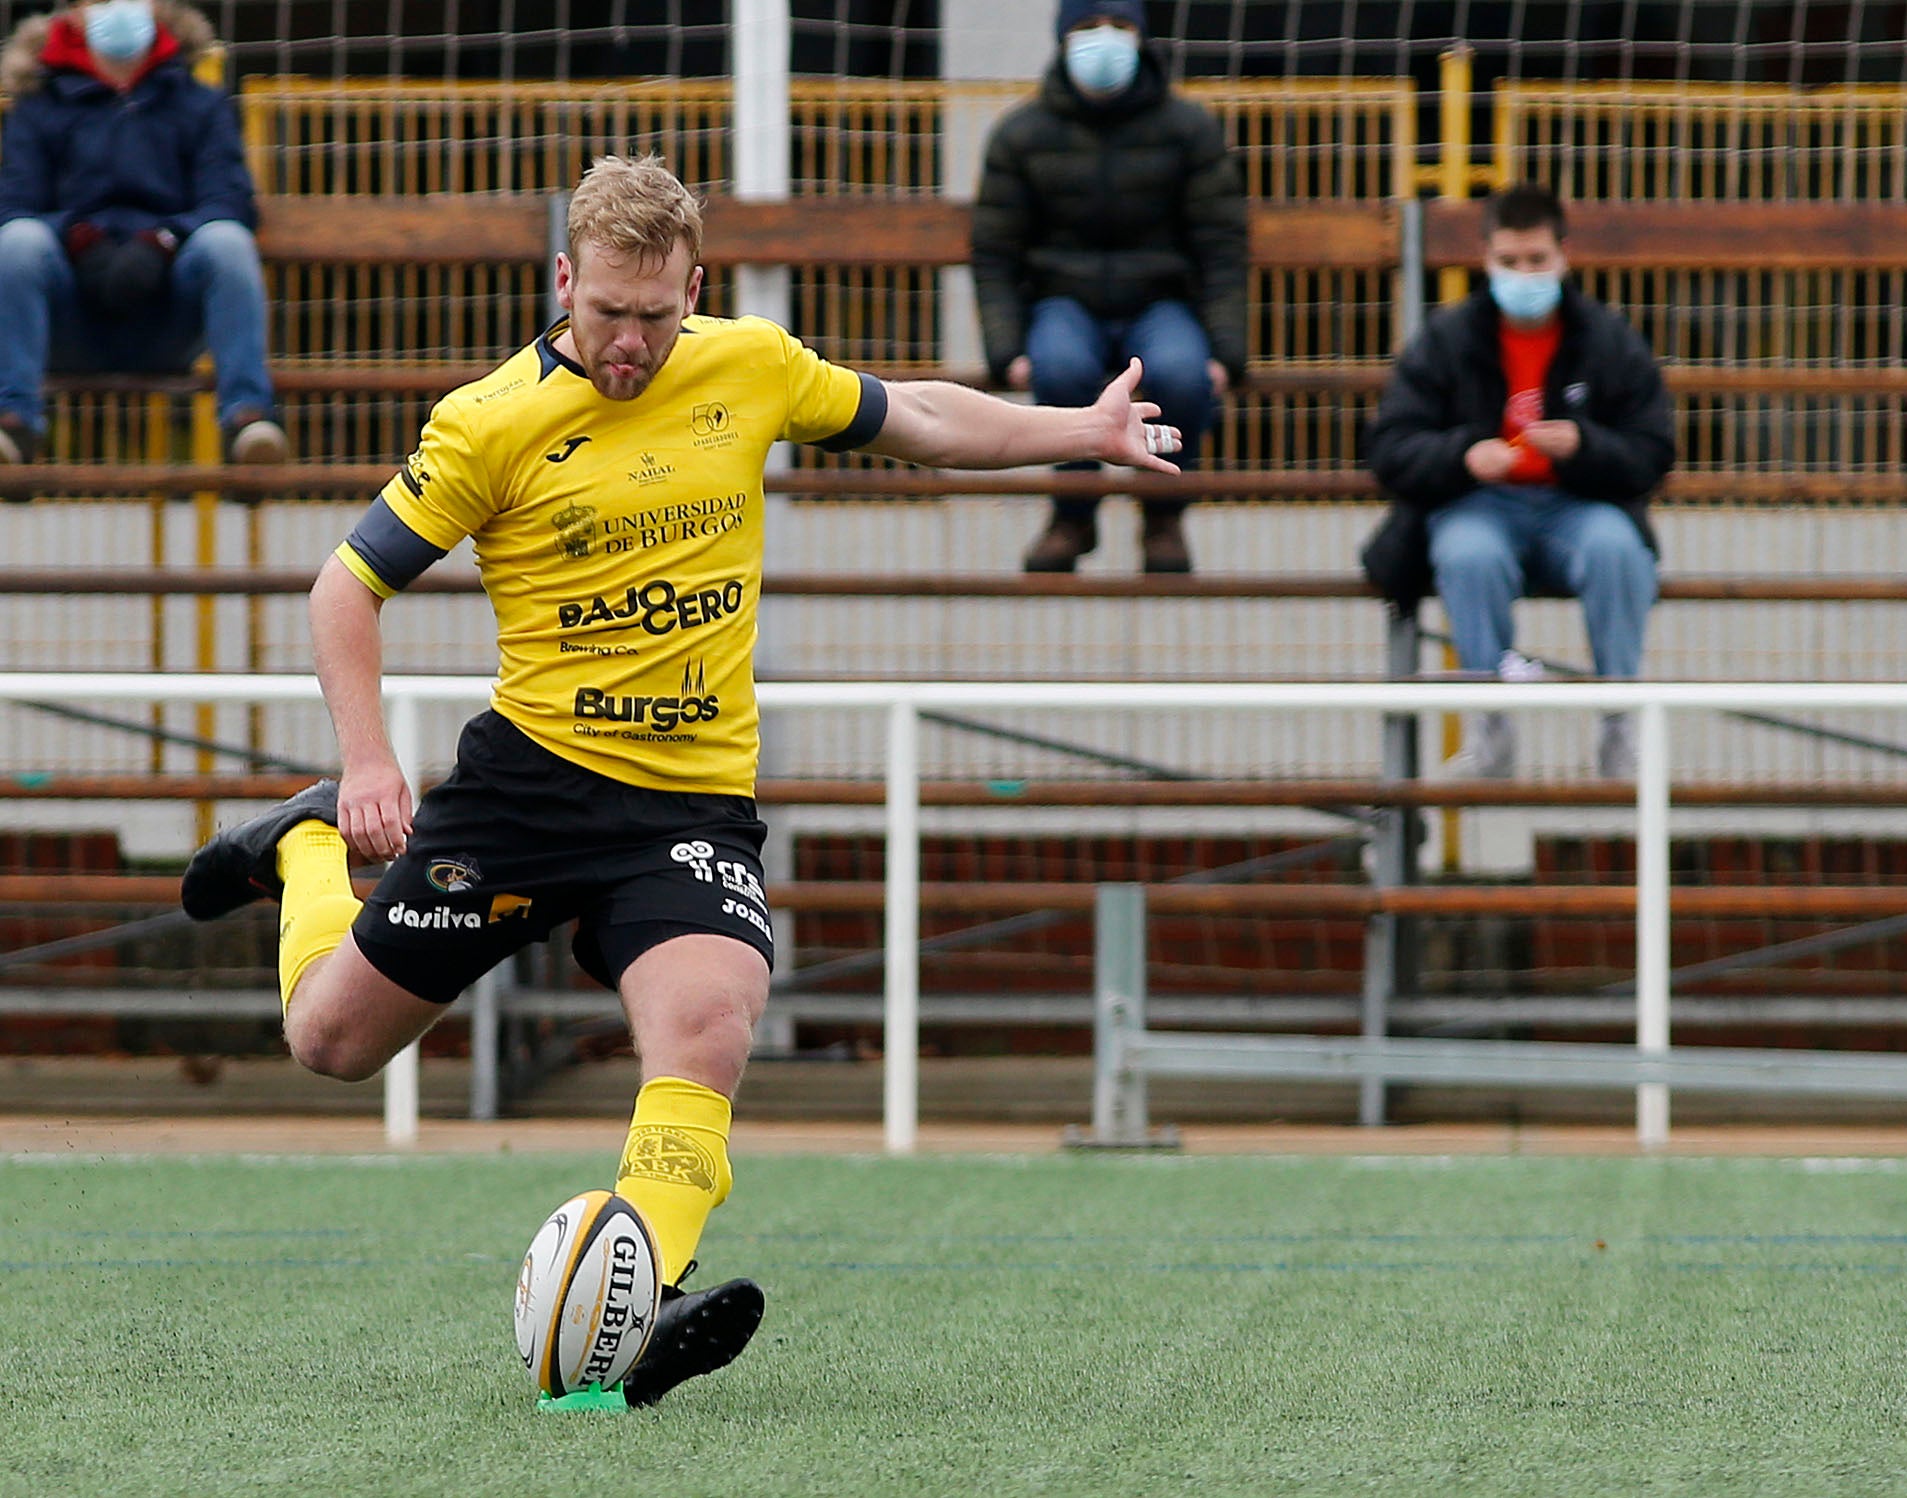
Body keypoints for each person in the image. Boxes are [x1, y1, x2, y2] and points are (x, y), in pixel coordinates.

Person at [178, 154, 1182, 1406]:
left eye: (656, 316)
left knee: (709, 1025)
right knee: (329, 1042)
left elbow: (916, 418)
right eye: (606, 313)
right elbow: (346, 586)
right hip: (527, 794)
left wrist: (1076, 433)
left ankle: (633, 1306)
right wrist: (369, 761)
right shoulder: (488, 421)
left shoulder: (748, 362)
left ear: (693, 289)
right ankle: (304, 848)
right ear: (564, 284)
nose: (630, 344)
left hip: (687, 807)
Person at [1365, 183, 1673, 779]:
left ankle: (1618, 722)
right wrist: (1463, 455)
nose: (1524, 274)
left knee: (1618, 551)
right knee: (1466, 554)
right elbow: (1391, 447)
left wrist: (1586, 446)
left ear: (1564, 255)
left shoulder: (1607, 339)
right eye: (1509, 261)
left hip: (1577, 506)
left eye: (1536, 260)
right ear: (1486, 258)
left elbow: (1652, 449)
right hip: (1478, 505)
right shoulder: (1446, 340)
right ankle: (1491, 722)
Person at [971, 0, 1245, 574]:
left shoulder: (1188, 129)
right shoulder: (1022, 134)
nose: (1105, 40)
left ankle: (1163, 511)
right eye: (1088, 27)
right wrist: (1007, 349)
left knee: (1182, 370)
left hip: (1160, 302)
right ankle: (1074, 511)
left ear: (1143, 38)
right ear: (1062, 39)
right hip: (1063, 301)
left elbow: (1221, 244)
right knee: (1060, 365)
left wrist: (1226, 350)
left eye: (1120, 26)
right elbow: (995, 251)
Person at [0, 0, 287, 465]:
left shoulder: (201, 102)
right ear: (71, 12)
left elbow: (230, 201)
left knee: (226, 242)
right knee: (18, 243)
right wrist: (76, 238)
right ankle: (14, 422)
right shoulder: (37, 107)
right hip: (68, 321)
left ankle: (248, 418)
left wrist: (165, 241)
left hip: (169, 316)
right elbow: (15, 206)